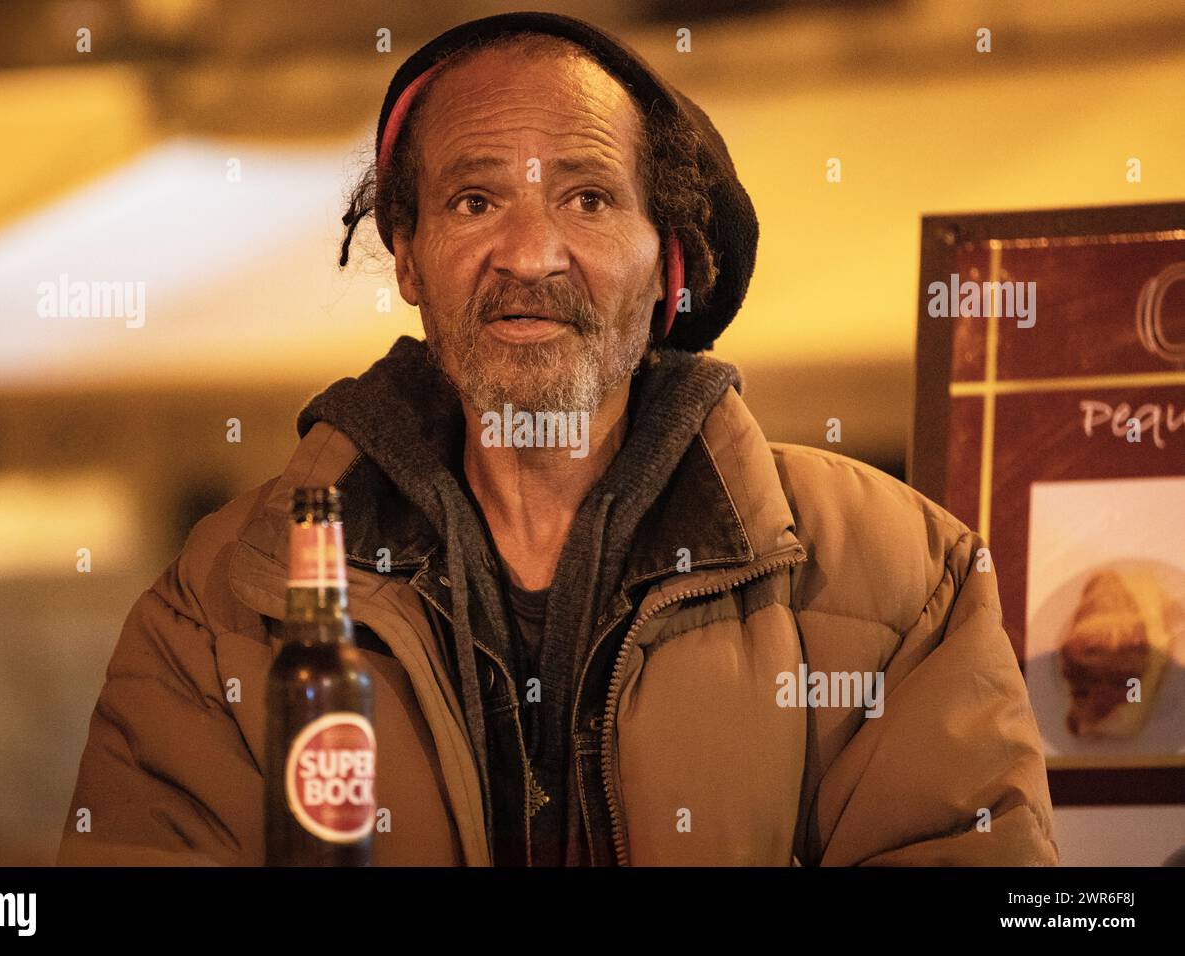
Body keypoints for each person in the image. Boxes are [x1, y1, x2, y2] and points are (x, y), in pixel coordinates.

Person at [59, 11, 1058, 866]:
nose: (530, 252)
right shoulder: (221, 601)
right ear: (406, 255)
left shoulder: (898, 579)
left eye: (587, 198)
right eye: (474, 199)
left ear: (669, 260)